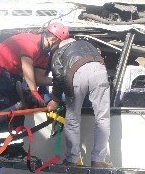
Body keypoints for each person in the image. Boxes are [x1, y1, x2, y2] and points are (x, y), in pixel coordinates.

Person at [0, 22, 68, 158]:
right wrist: (33, 91)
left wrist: (61, 81)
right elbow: (27, 67)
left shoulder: (44, 54)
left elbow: (39, 78)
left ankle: (16, 147)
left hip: (11, 73)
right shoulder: (30, 42)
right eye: (60, 44)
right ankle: (6, 150)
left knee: (19, 111)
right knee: (7, 108)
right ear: (54, 39)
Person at [47, 38, 112, 167]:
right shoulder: (87, 44)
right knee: (103, 118)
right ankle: (98, 160)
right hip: (100, 70)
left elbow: (58, 77)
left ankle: (72, 159)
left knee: (72, 119)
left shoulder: (59, 51)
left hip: (77, 72)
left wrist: (55, 99)